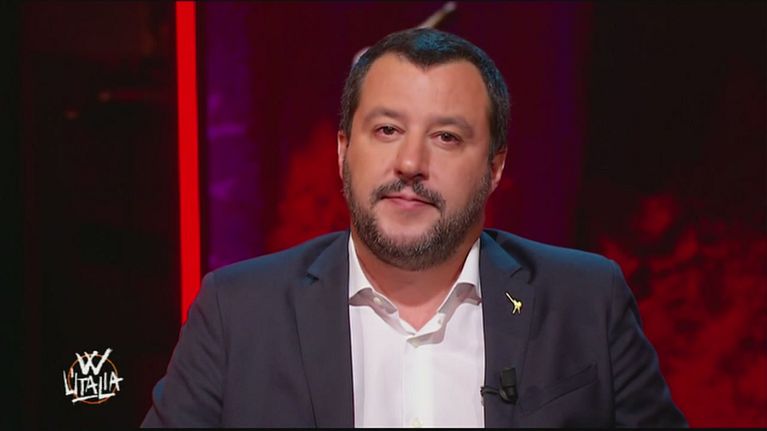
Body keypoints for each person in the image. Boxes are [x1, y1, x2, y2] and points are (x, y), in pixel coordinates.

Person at [142, 28, 687, 428]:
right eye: (386, 129)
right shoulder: (238, 311)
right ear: (342, 150)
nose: (409, 163)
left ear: (495, 167)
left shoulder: (586, 300)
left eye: (446, 137)